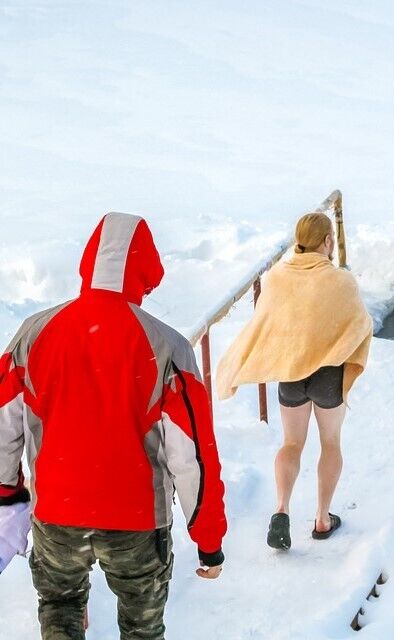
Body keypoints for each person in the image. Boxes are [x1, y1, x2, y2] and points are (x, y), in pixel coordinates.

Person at [0, 212, 227, 640]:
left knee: (60, 608)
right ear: (147, 271)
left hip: (57, 514)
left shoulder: (34, 333)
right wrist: (208, 535)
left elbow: (3, 422)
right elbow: (191, 453)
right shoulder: (168, 346)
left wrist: (6, 492)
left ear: (87, 264)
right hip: (138, 523)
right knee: (142, 629)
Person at [217, 212, 372, 550]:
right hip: (328, 374)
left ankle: (282, 509)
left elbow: (266, 322)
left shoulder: (277, 278)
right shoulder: (341, 281)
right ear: (328, 241)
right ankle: (321, 518)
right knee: (330, 443)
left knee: (291, 444)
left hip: (291, 373)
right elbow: (360, 324)